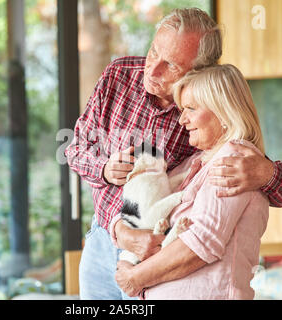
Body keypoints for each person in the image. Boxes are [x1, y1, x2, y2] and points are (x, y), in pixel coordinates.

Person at [64, 8, 282, 300]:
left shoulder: (205, 111)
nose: (153, 69)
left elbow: (280, 189)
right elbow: (75, 149)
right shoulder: (119, 75)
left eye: (171, 65)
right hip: (104, 239)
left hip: (157, 252)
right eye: (153, 52)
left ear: (199, 71)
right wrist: (104, 172)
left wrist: (266, 172)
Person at [115, 64, 270, 299]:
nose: (182, 120)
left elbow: (200, 245)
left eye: (191, 109)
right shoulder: (195, 163)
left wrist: (133, 278)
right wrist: (121, 231)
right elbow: (142, 206)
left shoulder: (235, 161)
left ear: (224, 111)